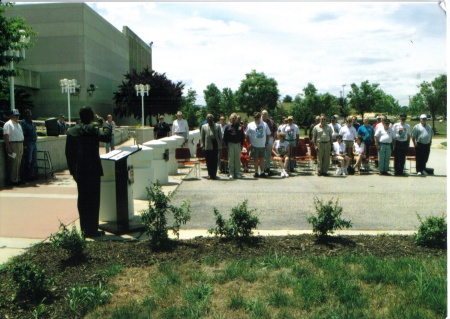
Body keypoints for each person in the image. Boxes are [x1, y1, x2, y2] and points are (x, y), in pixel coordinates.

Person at [65, 106, 112, 237]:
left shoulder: (72, 131)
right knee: (93, 200)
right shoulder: (93, 128)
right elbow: (107, 137)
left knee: (83, 200)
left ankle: (85, 229)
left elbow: (69, 154)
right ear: (91, 116)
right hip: (93, 170)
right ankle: (92, 229)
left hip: (80, 170)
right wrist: (105, 123)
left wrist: (73, 172)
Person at [246, 112, 271, 178]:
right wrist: (249, 143)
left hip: (262, 145)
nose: (256, 118)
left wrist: (267, 142)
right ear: (253, 118)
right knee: (255, 159)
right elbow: (247, 134)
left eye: (258, 117)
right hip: (254, 145)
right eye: (255, 117)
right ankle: (256, 172)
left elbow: (268, 134)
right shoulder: (250, 125)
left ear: (260, 117)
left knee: (262, 159)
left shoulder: (264, 124)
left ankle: (262, 172)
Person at [3, 109, 25, 186]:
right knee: (14, 162)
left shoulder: (18, 124)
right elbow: (6, 135)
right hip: (13, 144)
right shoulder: (8, 124)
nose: (17, 117)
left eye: (18, 115)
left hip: (20, 144)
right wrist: (8, 146)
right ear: (11, 116)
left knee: (18, 162)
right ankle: (13, 180)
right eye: (15, 115)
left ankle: (17, 178)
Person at [201, 114, 222, 180]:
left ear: (213, 119)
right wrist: (202, 146)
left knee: (215, 160)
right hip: (208, 145)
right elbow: (202, 138)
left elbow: (220, 136)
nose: (210, 119)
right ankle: (209, 174)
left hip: (215, 144)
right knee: (209, 161)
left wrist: (220, 144)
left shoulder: (217, 126)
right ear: (206, 119)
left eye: (211, 118)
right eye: (208, 118)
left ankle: (214, 175)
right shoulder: (203, 126)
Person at [223, 113, 244, 179]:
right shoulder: (227, 126)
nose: (234, 119)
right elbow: (225, 137)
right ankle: (231, 173)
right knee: (231, 159)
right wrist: (226, 145)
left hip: (238, 144)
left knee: (237, 159)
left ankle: (237, 173)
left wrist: (241, 145)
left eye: (235, 118)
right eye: (232, 118)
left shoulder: (240, 126)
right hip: (230, 144)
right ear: (230, 119)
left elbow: (242, 136)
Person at [20, 109, 38, 181]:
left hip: (34, 143)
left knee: (34, 160)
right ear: (24, 115)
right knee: (28, 160)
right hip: (28, 143)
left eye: (29, 113)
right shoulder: (23, 123)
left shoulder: (32, 123)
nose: (29, 115)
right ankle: (27, 176)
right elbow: (23, 134)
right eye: (27, 114)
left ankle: (32, 174)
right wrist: (24, 145)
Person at [261, 110, 277, 175]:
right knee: (262, 154)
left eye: (265, 114)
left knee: (268, 154)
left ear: (267, 115)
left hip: (270, 138)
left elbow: (275, 131)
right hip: (261, 139)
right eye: (263, 114)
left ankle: (267, 167)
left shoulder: (271, 122)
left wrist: (274, 140)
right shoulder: (259, 122)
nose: (264, 115)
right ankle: (262, 168)